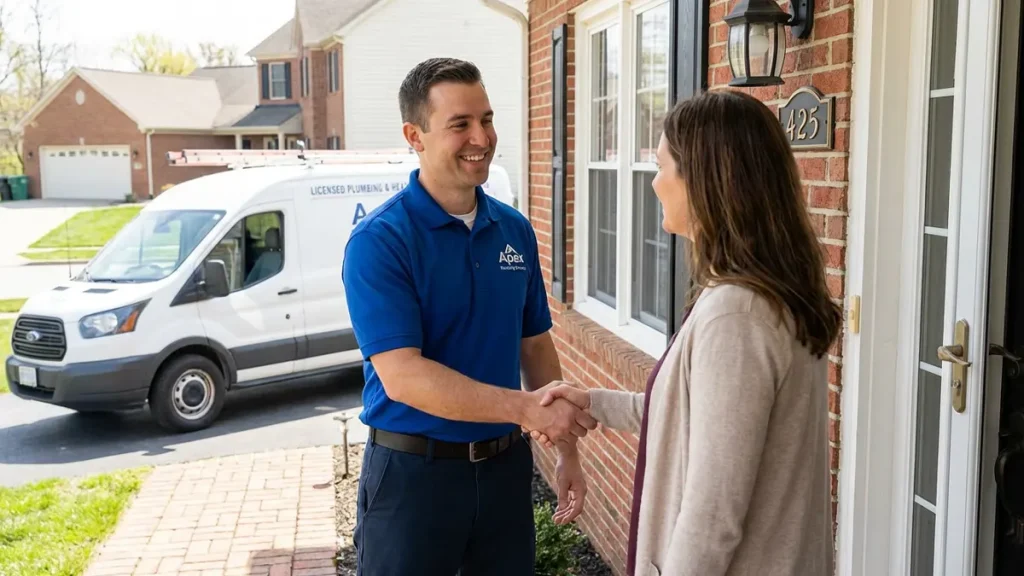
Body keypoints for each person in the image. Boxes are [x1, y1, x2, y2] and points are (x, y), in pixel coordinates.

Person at [531, 89, 842, 576]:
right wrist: (594, 402)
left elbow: (713, 514)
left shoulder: (737, 315)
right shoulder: (760, 297)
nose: (654, 183)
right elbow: (698, 419)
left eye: (661, 165)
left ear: (703, 179)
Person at [341, 57, 596, 576]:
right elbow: (404, 376)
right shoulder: (381, 242)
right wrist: (526, 410)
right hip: (414, 479)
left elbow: (535, 346)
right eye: (460, 124)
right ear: (415, 134)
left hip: (504, 473)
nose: (481, 136)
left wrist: (567, 451)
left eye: (486, 118)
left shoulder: (514, 231)